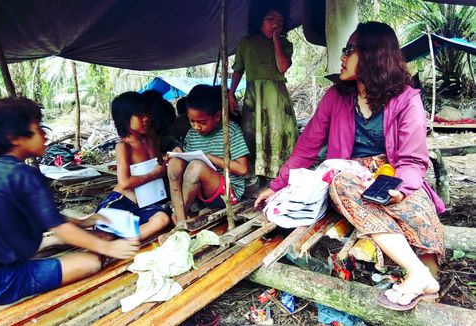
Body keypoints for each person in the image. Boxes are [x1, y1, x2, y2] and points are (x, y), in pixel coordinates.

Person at [255, 22, 445, 311]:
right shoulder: (336, 96)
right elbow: (306, 148)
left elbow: (412, 161)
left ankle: (428, 283)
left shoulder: (406, 99)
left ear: (373, 55)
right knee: (342, 183)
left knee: (418, 207)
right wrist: (277, 185)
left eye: (349, 50)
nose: (342, 57)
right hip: (346, 174)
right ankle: (416, 273)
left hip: (391, 175)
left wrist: (399, 190)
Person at [0, 97, 139, 305]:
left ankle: (53, 244)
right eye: (38, 128)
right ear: (14, 137)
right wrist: (108, 249)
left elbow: (46, 216)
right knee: (90, 262)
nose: (45, 134)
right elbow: (59, 227)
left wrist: (85, 222)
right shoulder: (26, 176)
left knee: (76, 237)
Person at [228, 0, 297, 188]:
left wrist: (276, 40)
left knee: (278, 135)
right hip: (254, 98)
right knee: (252, 134)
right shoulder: (246, 43)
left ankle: (279, 179)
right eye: (270, 19)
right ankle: (255, 180)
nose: (275, 24)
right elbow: (238, 69)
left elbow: (282, 67)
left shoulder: (286, 44)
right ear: (259, 21)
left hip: (277, 98)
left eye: (280, 21)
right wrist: (231, 93)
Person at [167, 85, 249, 223]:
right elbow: (187, 169)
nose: (196, 127)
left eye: (202, 122)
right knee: (174, 163)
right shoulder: (191, 134)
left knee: (197, 166)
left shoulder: (231, 131)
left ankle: (179, 217)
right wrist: (178, 155)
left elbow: (242, 169)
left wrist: (210, 158)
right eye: (191, 121)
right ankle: (181, 218)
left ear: (217, 116)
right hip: (201, 192)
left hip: (227, 193)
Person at [96, 92, 171, 241]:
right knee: (105, 234)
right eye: (139, 115)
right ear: (124, 119)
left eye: (147, 113)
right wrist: (154, 174)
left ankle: (121, 241)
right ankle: (111, 241)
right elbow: (125, 182)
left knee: (163, 219)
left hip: (148, 206)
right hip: (122, 203)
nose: (146, 118)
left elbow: (159, 165)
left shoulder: (151, 138)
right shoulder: (123, 147)